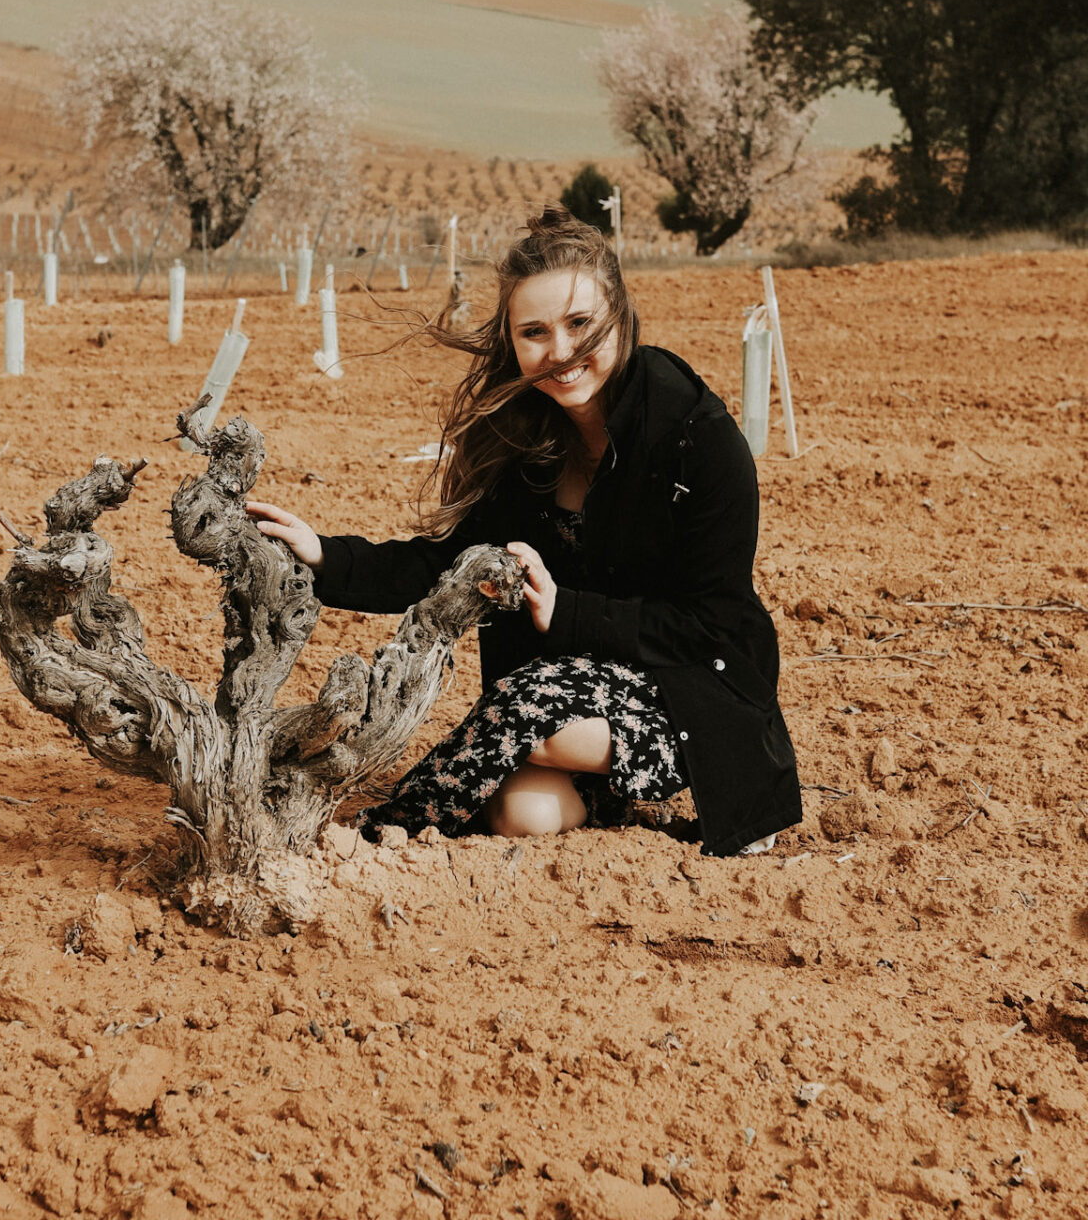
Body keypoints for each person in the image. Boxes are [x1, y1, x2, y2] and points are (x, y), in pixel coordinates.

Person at [248, 207, 801, 855]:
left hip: (698, 688)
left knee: (535, 708)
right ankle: (616, 807)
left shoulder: (695, 440)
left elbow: (712, 624)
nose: (560, 351)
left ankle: (378, 834)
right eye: (534, 332)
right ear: (512, 341)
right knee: (526, 814)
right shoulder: (527, 439)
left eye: (579, 324)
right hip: (574, 695)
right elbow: (447, 566)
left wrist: (569, 613)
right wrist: (322, 557)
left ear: (619, 315)